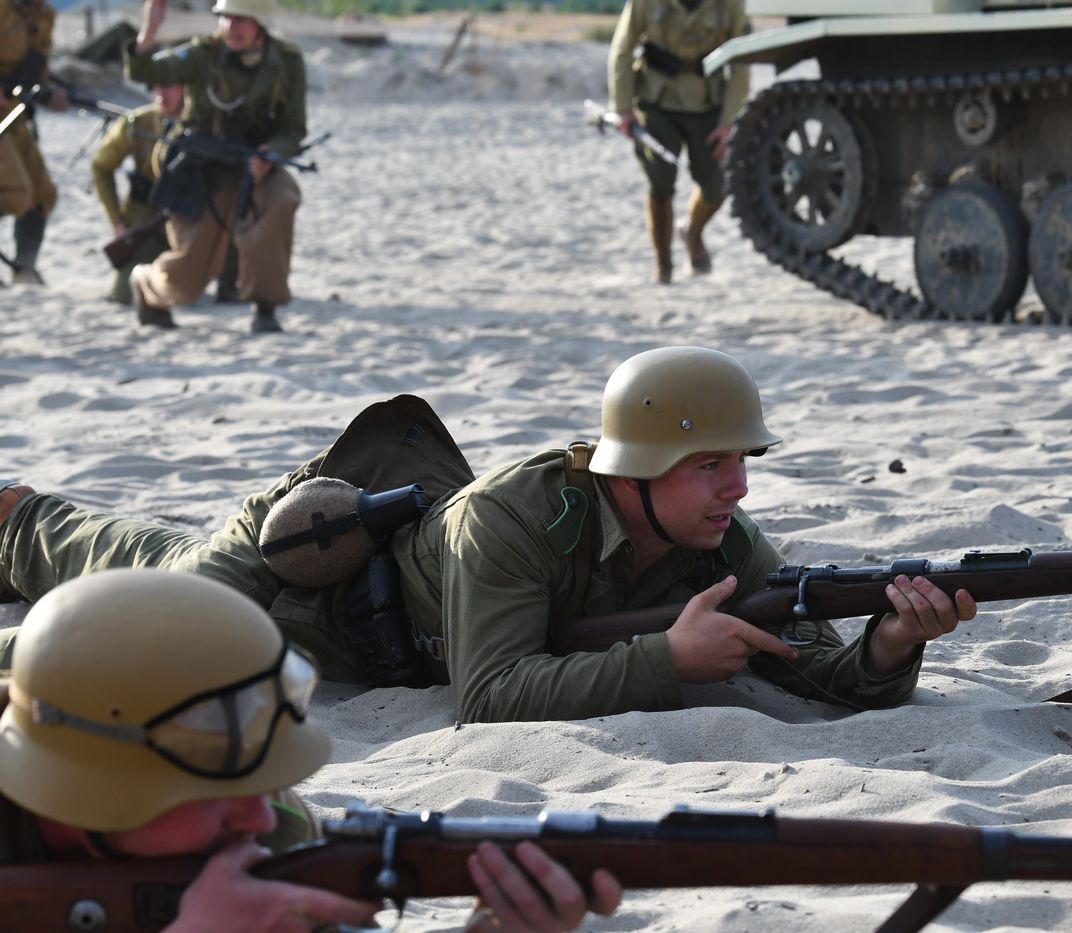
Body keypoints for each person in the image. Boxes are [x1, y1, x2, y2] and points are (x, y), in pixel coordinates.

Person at [0, 347, 976, 724]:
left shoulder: (721, 536)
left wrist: (890, 644)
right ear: (635, 469)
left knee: (145, 573)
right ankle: (19, 523)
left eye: (740, 461)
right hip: (310, 560)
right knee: (152, 618)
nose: (738, 486)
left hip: (391, 629)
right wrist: (665, 660)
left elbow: (816, 670)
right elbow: (490, 695)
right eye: (710, 464)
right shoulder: (513, 517)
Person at [0, 568, 624, 932]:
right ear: (91, 788)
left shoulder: (274, 835)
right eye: (216, 795)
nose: (258, 816)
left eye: (261, 783)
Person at [123, 0, 305, 333]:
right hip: (204, 169)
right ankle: (146, 284)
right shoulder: (202, 54)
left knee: (281, 197)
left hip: (256, 163)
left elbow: (293, 128)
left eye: (241, 19)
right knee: (187, 280)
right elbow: (145, 72)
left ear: (260, 24)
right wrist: (149, 31)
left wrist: (271, 154)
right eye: (225, 18)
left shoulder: (287, 62)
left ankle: (264, 306)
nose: (231, 27)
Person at [607, 0, 749, 284]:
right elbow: (622, 50)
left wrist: (727, 122)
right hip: (657, 100)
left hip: (708, 103)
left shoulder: (730, 4)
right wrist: (622, 108)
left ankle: (692, 233)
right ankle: (663, 264)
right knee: (660, 179)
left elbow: (741, 61)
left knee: (715, 186)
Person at [91, 83, 182, 305]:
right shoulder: (138, 121)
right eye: (157, 85)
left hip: (192, 223)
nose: (161, 93)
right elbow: (101, 166)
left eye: (170, 86)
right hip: (148, 221)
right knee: (125, 295)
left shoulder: (206, 123)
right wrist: (117, 222)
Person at [0, 0, 66, 286]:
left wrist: (51, 93)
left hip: (14, 116)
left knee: (42, 196)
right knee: (17, 193)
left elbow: (37, 70)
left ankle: (24, 270)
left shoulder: (44, 15)